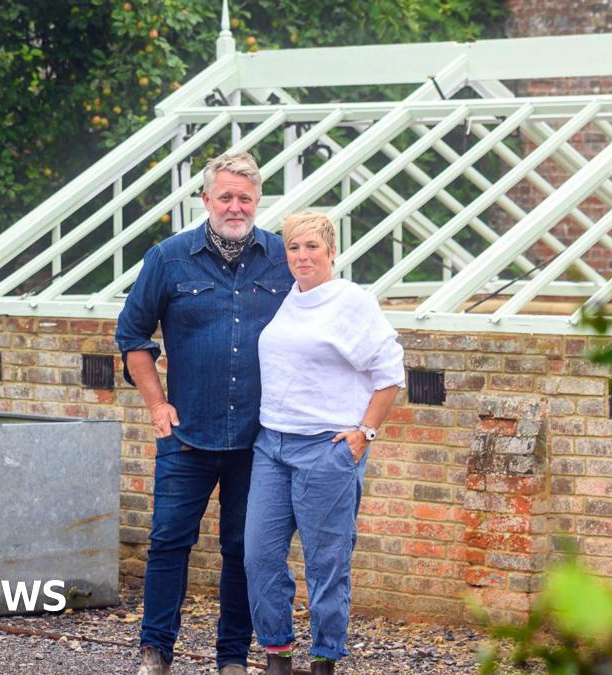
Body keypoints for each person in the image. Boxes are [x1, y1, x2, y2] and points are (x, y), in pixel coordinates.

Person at [115, 153, 293, 675]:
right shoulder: (168, 259)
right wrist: (156, 403)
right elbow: (131, 335)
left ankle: (232, 658)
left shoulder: (285, 260)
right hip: (186, 433)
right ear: (206, 200)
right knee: (169, 542)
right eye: (226, 197)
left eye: (245, 198)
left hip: (259, 439)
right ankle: (156, 652)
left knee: (243, 550)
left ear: (257, 202)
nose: (235, 206)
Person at [245, 211, 405, 675]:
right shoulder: (287, 299)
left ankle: (324, 659)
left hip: (325, 450)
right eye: (293, 247)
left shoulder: (351, 302)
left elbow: (390, 374)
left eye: (311, 247)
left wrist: (364, 433)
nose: (301, 256)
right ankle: (277, 655)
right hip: (271, 445)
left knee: (326, 564)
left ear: (331, 251)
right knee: (259, 555)